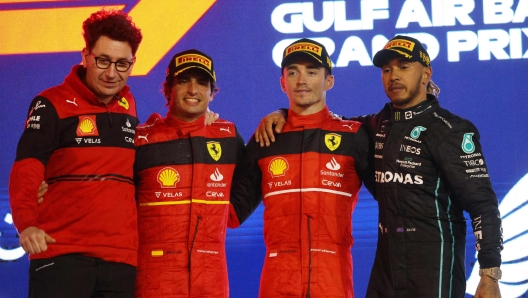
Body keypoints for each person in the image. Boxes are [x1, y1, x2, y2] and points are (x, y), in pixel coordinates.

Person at [256, 35, 503, 297]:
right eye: (387, 69)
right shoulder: (375, 125)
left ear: (426, 74)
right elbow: (325, 124)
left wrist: (490, 273)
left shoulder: (450, 130)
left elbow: (483, 204)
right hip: (386, 265)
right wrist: (284, 113)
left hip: (433, 261)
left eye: (404, 67)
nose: (394, 75)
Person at [9, 9, 142, 298]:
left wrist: (203, 114)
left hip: (121, 260)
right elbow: (27, 166)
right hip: (62, 254)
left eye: (122, 64)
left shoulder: (128, 106)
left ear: (132, 64)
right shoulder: (51, 103)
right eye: (103, 60)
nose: (111, 73)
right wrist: (27, 224)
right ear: (85, 55)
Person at [230, 38, 375, 297]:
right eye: (293, 72)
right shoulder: (266, 137)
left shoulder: (354, 136)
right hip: (278, 279)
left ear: (329, 81)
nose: (301, 80)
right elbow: (230, 212)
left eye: (311, 71)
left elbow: (393, 199)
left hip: (333, 278)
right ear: (282, 82)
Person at [133, 49, 247, 297]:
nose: (193, 90)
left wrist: (280, 113)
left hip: (211, 283)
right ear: (167, 90)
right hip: (155, 282)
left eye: (202, 83)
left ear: (212, 93)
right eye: (184, 81)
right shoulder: (142, 139)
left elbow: (255, 178)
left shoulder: (227, 136)